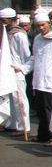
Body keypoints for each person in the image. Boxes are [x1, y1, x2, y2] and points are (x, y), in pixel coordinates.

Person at [17, 12, 52, 146]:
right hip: (38, 80)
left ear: (49, 23)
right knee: (41, 110)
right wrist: (22, 68)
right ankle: (43, 135)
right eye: (38, 26)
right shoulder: (37, 39)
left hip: (51, 80)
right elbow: (34, 58)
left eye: (43, 25)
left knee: (51, 110)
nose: (41, 28)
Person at [0, 8, 31, 136]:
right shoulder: (5, 33)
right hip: (6, 71)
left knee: (20, 100)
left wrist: (21, 68)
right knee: (10, 99)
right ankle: (12, 124)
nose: (2, 22)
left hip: (17, 72)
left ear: (11, 19)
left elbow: (27, 56)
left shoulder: (19, 35)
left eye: (4, 20)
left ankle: (23, 126)